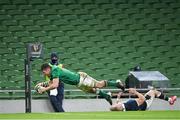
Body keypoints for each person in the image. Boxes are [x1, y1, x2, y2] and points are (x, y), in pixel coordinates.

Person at [35, 63, 125, 105]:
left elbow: (55, 85)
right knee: (92, 91)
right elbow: (51, 82)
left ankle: (116, 83)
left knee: (99, 85)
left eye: (44, 72)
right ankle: (106, 96)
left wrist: (44, 89)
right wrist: (42, 84)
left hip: (81, 78)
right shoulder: (52, 72)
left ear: (47, 69)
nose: (44, 74)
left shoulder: (54, 70)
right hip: (78, 83)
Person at [110, 88, 177, 111]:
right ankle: (170, 100)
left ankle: (170, 100)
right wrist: (135, 92)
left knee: (154, 92)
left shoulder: (125, 105)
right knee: (153, 91)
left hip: (141, 103)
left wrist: (118, 98)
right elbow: (142, 99)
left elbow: (115, 106)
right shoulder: (131, 104)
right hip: (145, 103)